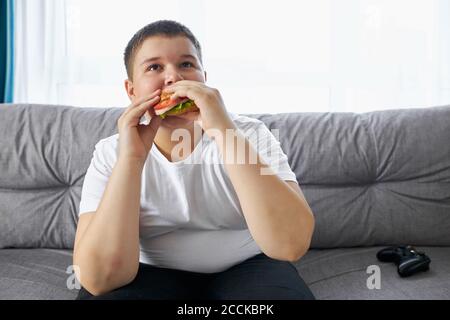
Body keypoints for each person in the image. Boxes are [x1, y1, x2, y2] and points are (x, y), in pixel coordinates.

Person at [74, 20, 315, 300]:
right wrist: (132, 158)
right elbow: (99, 279)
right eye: (154, 67)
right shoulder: (111, 152)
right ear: (131, 90)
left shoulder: (251, 134)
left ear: (204, 79)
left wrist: (223, 132)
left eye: (187, 64)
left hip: (248, 266)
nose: (174, 78)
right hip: (148, 271)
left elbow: (290, 245)